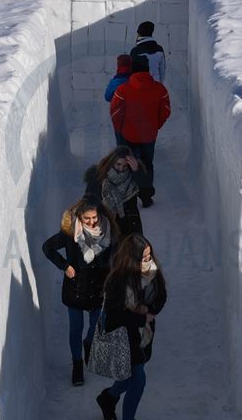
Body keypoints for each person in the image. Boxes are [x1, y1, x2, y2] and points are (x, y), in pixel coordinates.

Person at [94, 234, 167, 420]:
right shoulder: (118, 281)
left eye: (149, 255)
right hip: (123, 336)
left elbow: (162, 295)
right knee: (138, 380)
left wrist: (150, 311)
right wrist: (141, 317)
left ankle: (108, 397)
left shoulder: (153, 272)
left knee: (128, 380)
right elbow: (114, 316)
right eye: (142, 258)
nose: (147, 261)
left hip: (143, 335)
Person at [42, 197, 119, 385]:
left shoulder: (109, 232)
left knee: (96, 327)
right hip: (76, 288)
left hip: (99, 289)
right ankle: (77, 364)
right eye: (87, 219)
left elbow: (117, 257)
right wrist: (65, 265)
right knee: (75, 329)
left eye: (94, 217)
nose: (92, 222)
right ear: (79, 217)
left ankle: (89, 343)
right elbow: (47, 247)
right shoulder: (69, 234)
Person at [110, 56, 171, 208]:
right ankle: (146, 196)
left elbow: (115, 112)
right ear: (147, 69)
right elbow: (166, 111)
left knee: (125, 164)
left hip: (127, 134)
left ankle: (127, 199)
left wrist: (120, 129)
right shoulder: (160, 89)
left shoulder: (123, 89)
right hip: (148, 135)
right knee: (146, 164)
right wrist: (156, 125)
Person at [84, 146, 147, 236]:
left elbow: (146, 194)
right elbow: (88, 202)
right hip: (102, 223)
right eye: (118, 164)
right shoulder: (97, 176)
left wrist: (138, 172)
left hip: (128, 224)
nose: (121, 169)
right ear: (111, 162)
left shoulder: (133, 177)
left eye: (125, 166)